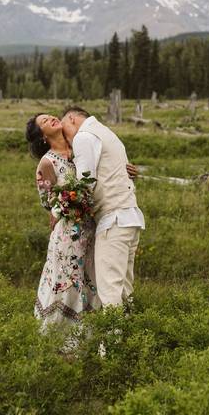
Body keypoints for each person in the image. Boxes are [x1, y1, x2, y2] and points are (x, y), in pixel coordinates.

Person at [25, 113, 138, 332]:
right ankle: (60, 340)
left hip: (95, 227)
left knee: (94, 283)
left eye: (49, 116)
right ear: (42, 137)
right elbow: (48, 202)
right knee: (68, 283)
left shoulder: (81, 146)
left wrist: (126, 171)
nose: (51, 119)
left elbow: (103, 172)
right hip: (69, 234)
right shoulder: (47, 162)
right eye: (44, 122)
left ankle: (91, 336)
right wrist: (68, 203)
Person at [60, 106, 144, 309]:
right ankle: (130, 337)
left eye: (64, 129)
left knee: (109, 293)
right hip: (130, 217)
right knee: (124, 290)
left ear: (71, 118)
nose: (65, 137)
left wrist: (61, 208)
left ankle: (111, 341)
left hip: (113, 220)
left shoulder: (84, 136)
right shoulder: (107, 132)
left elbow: (85, 184)